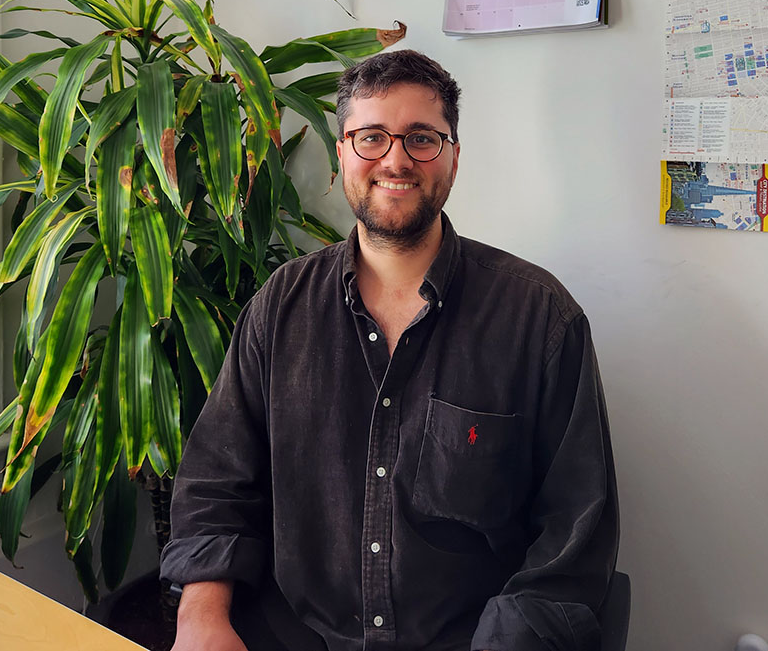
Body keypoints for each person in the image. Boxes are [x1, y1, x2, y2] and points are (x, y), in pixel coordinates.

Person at [161, 50, 619, 651]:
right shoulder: (279, 308)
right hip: (295, 635)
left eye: (422, 138)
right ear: (343, 152)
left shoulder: (540, 319)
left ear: (453, 156)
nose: (396, 160)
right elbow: (217, 483)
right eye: (371, 137)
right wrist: (201, 618)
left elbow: (573, 535)